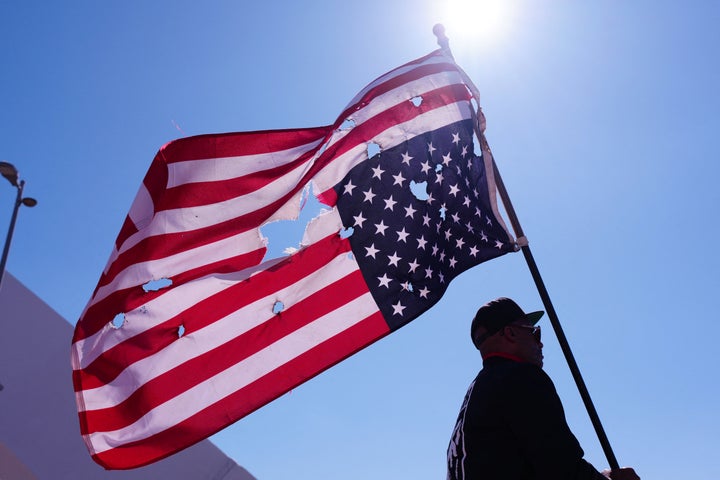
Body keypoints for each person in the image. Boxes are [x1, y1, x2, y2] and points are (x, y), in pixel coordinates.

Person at [447, 297, 640, 480]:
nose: (540, 342)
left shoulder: (478, 393)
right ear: (510, 333)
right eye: (534, 332)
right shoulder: (520, 377)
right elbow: (564, 471)